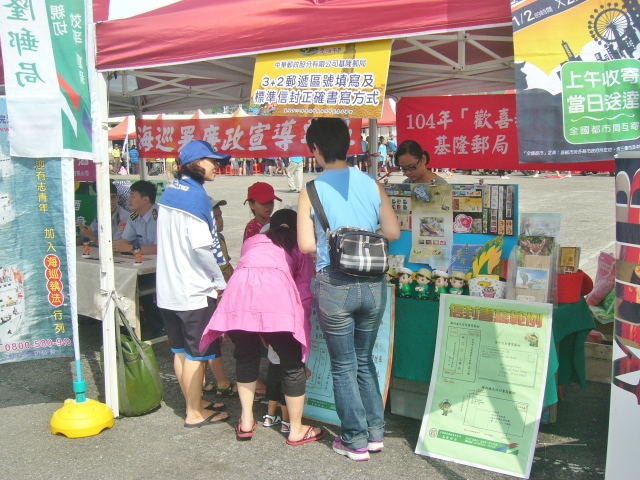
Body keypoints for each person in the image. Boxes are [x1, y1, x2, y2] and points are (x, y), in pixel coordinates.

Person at [297, 118, 400, 461]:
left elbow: (307, 245)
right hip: (373, 284)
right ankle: (374, 433)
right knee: (363, 359)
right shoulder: (372, 184)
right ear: (348, 144)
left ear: (316, 149)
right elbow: (393, 232)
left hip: (335, 283)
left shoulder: (311, 189)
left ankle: (354, 439)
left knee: (343, 364)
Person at [200, 209, 324, 445]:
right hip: (277, 300)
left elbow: (251, 271)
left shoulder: (253, 241)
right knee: (292, 365)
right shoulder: (299, 247)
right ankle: (296, 429)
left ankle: (246, 421)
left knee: (245, 358)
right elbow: (304, 294)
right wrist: (299, 330)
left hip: (238, 298)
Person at [156, 139, 231, 428]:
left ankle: (194, 402)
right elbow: (202, 248)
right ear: (198, 163)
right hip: (194, 291)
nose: (218, 167)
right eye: (213, 161)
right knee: (196, 355)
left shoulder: (170, 193)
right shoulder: (197, 198)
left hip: (168, 289)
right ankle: (194, 412)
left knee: (179, 352)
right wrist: (218, 279)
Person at [201, 198, 238, 397]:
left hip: (221, 294)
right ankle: (222, 383)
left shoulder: (220, 238)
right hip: (211, 296)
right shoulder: (204, 244)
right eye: (214, 217)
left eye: (220, 215)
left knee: (207, 339)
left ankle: (203, 381)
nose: (220, 220)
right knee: (212, 341)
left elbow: (227, 267)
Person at [112, 180, 159, 255]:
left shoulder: (160, 217)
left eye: (132, 196)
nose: (129, 199)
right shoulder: (133, 218)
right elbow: (124, 242)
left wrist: (130, 248)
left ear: (145, 200)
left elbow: (159, 248)